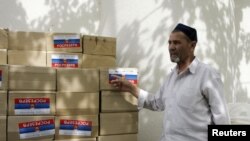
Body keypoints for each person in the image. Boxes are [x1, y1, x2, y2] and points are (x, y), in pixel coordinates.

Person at [111, 23, 230, 141]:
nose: (171, 47)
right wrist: (131, 88)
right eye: (170, 42)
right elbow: (156, 103)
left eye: (177, 43)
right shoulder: (171, 77)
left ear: (192, 46)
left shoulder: (208, 75)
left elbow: (222, 120)